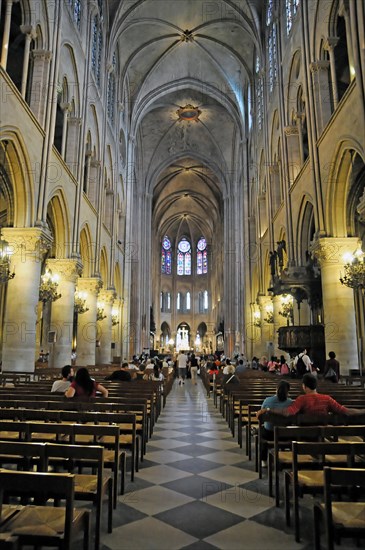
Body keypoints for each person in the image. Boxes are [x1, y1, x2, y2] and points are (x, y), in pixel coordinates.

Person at [257, 373, 363, 418]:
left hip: (305, 435)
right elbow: (346, 411)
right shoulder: (327, 399)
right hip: (324, 434)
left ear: (304, 386)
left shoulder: (302, 399)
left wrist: (269, 410)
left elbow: (287, 412)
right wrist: (363, 411)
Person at [259, 380, 293, 466]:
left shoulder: (268, 400)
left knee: (262, 430)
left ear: (276, 389)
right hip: (284, 435)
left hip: (269, 433)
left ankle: (263, 460)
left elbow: (261, 416)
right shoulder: (290, 402)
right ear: (288, 391)